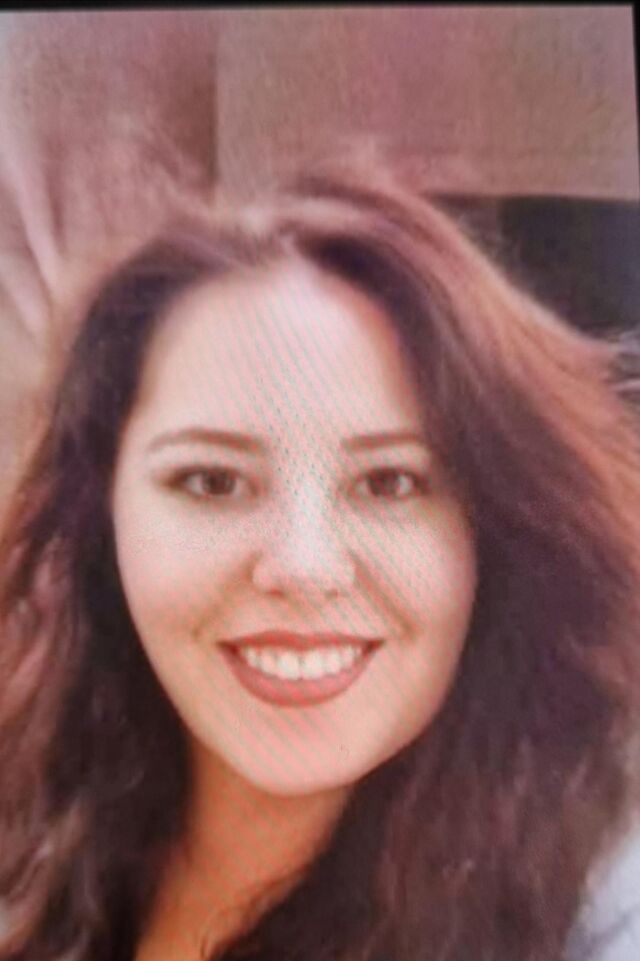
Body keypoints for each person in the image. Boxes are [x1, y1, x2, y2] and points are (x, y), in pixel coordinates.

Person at [0, 152, 639, 961]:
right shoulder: (25, 828)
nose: (303, 567)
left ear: (495, 532)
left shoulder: (596, 914)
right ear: (101, 514)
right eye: (212, 481)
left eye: (390, 481)